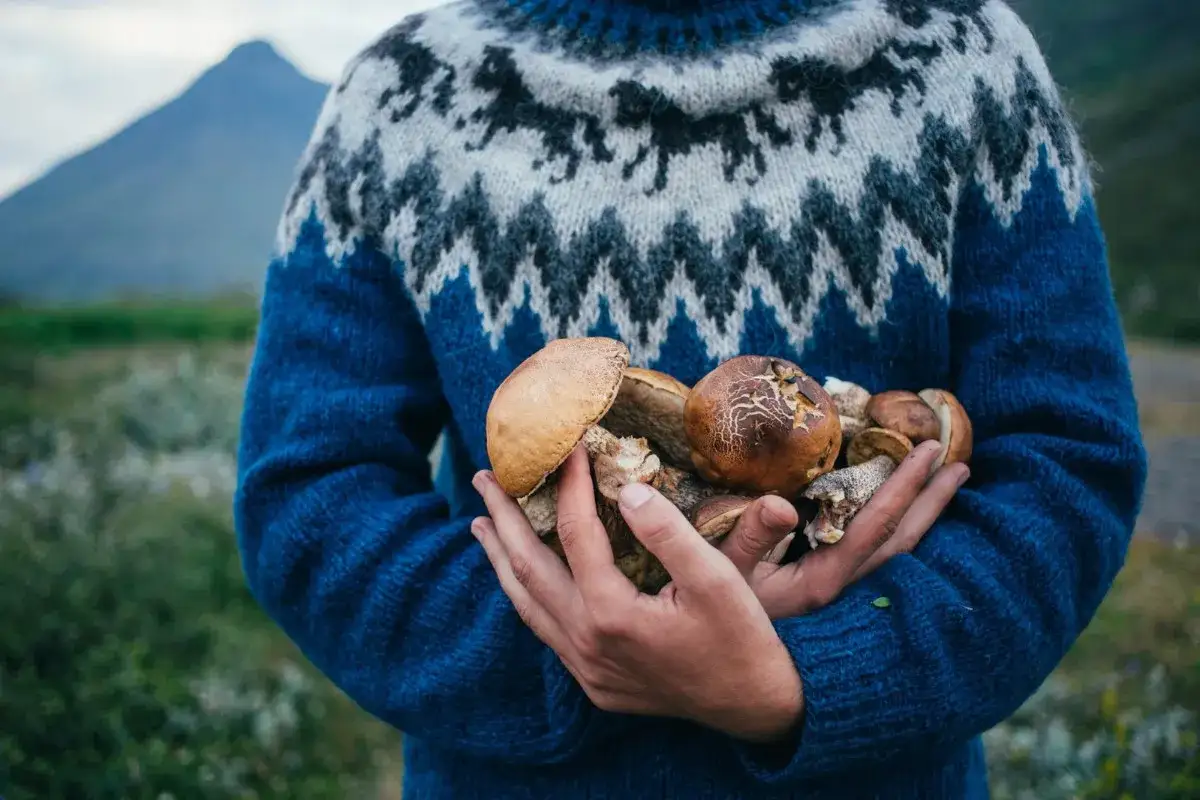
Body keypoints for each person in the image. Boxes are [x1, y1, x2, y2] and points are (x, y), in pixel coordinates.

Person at [233, 0, 1148, 796]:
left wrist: (804, 681)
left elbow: (1064, 462)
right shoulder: (402, 99)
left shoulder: (963, 59)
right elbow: (311, 494)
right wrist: (584, 650)